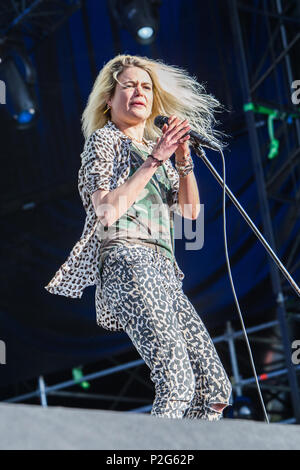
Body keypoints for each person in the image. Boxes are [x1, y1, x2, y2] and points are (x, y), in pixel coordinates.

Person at [45, 54, 232, 420]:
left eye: (145, 86)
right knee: (176, 378)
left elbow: (190, 215)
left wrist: (181, 160)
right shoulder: (105, 142)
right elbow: (105, 210)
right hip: (127, 261)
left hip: (163, 270)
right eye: (128, 85)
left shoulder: (154, 152)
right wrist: (155, 160)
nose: (139, 92)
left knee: (213, 388)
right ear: (108, 100)